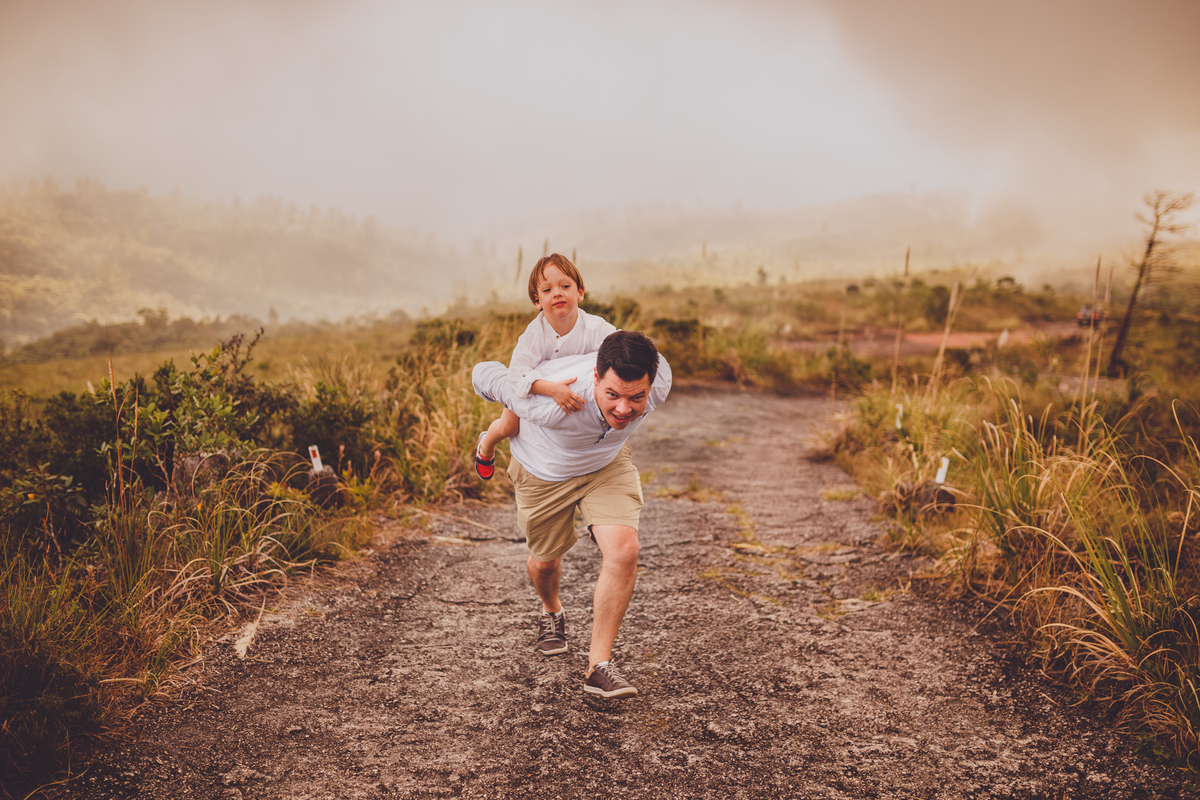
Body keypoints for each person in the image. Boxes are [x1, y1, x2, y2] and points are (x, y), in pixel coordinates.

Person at [472, 331, 671, 698]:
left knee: (624, 550)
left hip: (605, 465)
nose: (624, 409)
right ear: (595, 378)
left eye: (636, 397)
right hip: (543, 471)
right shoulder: (550, 402)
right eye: (612, 395)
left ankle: (599, 666)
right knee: (545, 563)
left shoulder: (660, 381)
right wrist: (516, 385)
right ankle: (552, 611)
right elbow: (487, 375)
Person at [473, 253, 616, 481]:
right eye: (547, 290)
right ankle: (485, 446)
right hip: (536, 389)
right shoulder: (534, 334)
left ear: (580, 292)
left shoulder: (596, 328)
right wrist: (550, 389)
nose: (557, 293)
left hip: (576, 392)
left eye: (565, 286)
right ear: (537, 300)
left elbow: (618, 348)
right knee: (509, 427)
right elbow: (516, 375)